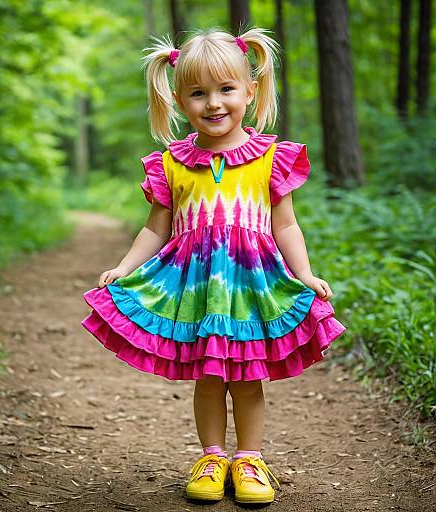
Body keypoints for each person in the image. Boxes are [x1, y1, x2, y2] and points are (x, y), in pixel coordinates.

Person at [81, 27, 346, 506]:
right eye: (199, 93)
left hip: (250, 287)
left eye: (226, 89)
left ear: (250, 90)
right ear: (180, 100)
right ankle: (211, 456)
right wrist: (123, 268)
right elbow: (156, 229)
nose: (214, 103)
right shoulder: (173, 164)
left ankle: (249, 458)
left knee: (246, 379)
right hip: (197, 288)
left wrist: (304, 274)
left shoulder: (269, 158)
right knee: (208, 378)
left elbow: (286, 227)